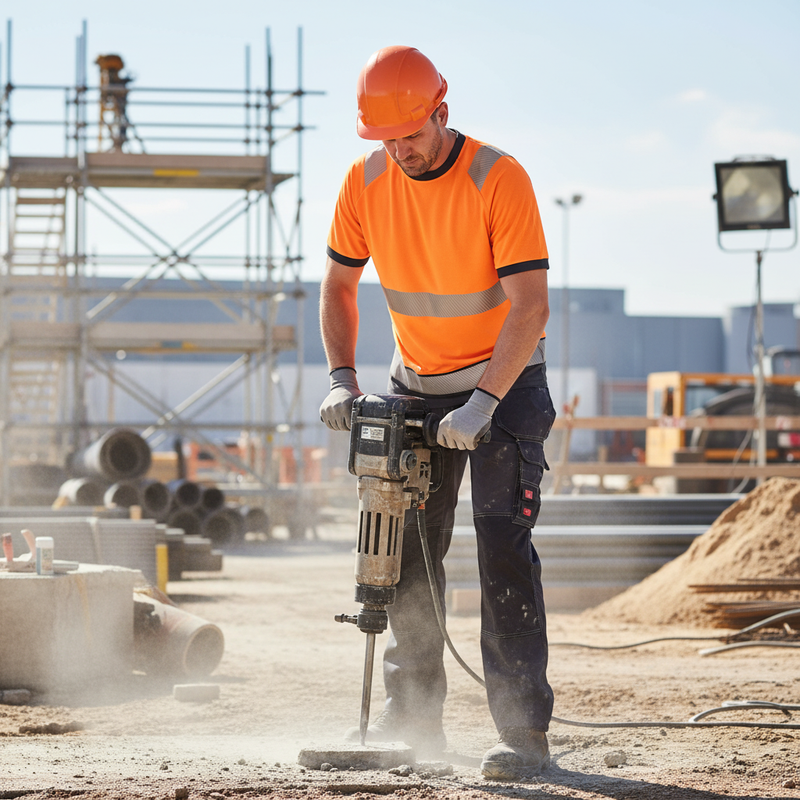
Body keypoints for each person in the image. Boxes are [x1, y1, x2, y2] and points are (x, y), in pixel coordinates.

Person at [319, 45, 556, 781]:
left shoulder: (498, 177)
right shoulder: (364, 181)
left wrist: (484, 401)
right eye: (385, 140)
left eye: (411, 136)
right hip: (414, 388)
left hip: (502, 384)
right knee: (409, 557)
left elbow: (530, 305)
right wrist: (341, 377)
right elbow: (338, 288)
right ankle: (412, 717)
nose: (399, 151)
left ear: (441, 114)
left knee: (502, 554)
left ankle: (522, 736)